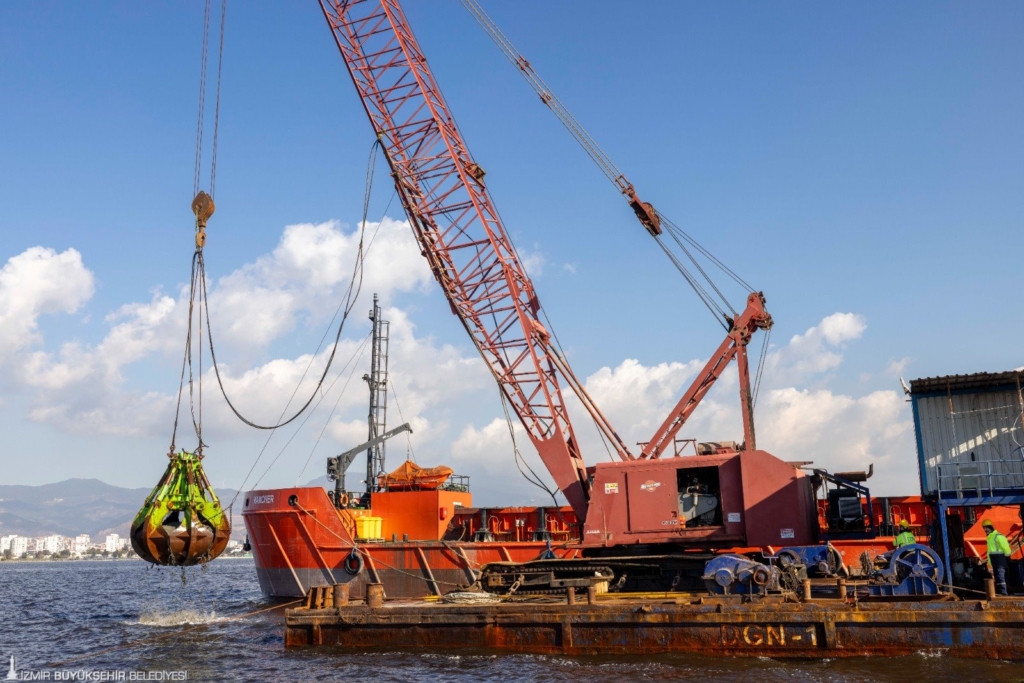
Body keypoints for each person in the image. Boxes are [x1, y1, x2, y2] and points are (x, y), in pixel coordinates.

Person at [982, 519, 1012, 596]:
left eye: (986, 528)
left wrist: (1007, 557)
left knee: (1001, 577)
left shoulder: (998, 536)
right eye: (984, 528)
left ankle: (1004, 593)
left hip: (1000, 560)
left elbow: (1006, 548)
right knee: (998, 578)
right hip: (995, 561)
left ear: (991, 527)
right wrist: (989, 562)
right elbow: (990, 551)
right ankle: (1000, 592)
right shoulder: (990, 538)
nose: (985, 530)